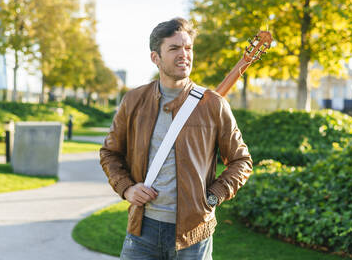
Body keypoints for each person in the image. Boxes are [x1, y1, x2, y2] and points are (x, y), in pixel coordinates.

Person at [100, 17, 252, 260]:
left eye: (188, 48)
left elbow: (241, 161)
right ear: (155, 58)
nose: (184, 55)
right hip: (142, 230)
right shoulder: (134, 101)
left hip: (194, 233)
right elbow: (110, 153)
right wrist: (126, 187)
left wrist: (213, 196)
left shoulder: (213, 104)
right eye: (174, 48)